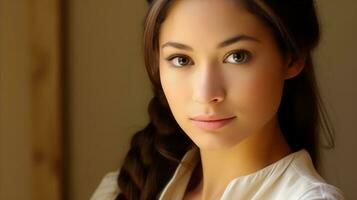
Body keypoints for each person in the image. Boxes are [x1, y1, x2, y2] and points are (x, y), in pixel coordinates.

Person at [91, 0, 346, 199]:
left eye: (236, 56)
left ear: (292, 57)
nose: (205, 94)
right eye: (181, 59)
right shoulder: (120, 190)